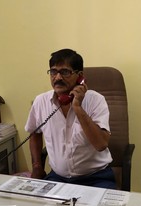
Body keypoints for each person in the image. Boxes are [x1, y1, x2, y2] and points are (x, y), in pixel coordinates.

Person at [25, 48, 115, 189]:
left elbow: (101, 144)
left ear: (80, 76)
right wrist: (36, 166)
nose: (58, 78)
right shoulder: (41, 101)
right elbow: (34, 133)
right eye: (53, 72)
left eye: (65, 72)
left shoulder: (96, 100)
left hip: (96, 178)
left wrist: (78, 107)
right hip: (58, 178)